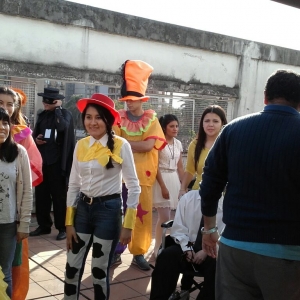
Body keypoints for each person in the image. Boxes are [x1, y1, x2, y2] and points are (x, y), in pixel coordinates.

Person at [200, 70, 300, 300]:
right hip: (287, 255)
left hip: (235, 248)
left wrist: (209, 229)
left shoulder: (233, 130)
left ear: (265, 97)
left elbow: (210, 183)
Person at [64, 93, 140, 300]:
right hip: (82, 211)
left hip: (108, 211)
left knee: (99, 270)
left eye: (98, 117)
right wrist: (68, 222)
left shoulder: (121, 145)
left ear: (108, 120)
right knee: (71, 268)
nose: (92, 122)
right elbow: (73, 184)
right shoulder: (81, 145)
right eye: (88, 117)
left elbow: (134, 186)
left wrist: (128, 225)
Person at [111, 60, 167, 270]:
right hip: (120, 175)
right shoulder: (119, 118)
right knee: (118, 213)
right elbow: (114, 143)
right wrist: (129, 144)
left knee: (141, 218)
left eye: (132, 100)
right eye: (126, 100)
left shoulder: (151, 119)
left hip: (143, 176)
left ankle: (139, 253)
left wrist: (126, 144)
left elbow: (148, 145)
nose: (129, 103)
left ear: (142, 99)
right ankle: (116, 252)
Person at [0, 86, 43, 300]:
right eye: (1, 104)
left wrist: (23, 217)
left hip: (11, 214)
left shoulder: (22, 136)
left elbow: (32, 172)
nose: (6, 108)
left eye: (10, 104)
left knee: (10, 268)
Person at [150, 190, 224, 300]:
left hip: (213, 250)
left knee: (220, 267)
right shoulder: (188, 198)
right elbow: (178, 228)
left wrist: (206, 251)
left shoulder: (228, 204)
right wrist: (187, 248)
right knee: (166, 257)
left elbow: (226, 235)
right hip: (187, 244)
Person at [30, 87, 75, 240]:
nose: (45, 103)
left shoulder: (64, 114)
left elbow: (63, 127)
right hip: (43, 161)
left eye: (48, 101)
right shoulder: (42, 115)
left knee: (59, 196)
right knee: (41, 195)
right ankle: (44, 226)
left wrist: (57, 110)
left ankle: (62, 227)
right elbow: (34, 134)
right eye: (44, 100)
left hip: (58, 163)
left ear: (55, 101)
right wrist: (36, 140)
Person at [0, 108, 33, 298]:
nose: (2, 127)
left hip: (8, 224)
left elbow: (27, 190)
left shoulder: (19, 153)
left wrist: (24, 224)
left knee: (5, 273)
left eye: (5, 123)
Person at [152, 114, 184, 257]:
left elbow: (180, 167)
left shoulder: (178, 143)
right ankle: (157, 248)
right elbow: (155, 166)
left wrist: (184, 186)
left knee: (175, 218)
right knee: (164, 217)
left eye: (176, 126)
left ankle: (168, 247)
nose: (175, 129)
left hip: (175, 180)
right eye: (172, 126)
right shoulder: (158, 142)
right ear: (164, 127)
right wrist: (163, 187)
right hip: (161, 180)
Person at [179, 105, 227, 197]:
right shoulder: (195, 145)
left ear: (222, 123)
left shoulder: (228, 145)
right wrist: (182, 189)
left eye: (215, 121)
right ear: (202, 123)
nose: (211, 124)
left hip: (223, 198)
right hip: (198, 195)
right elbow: (189, 170)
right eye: (207, 121)